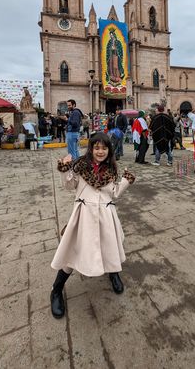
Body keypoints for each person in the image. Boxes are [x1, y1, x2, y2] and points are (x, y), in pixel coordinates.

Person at [50, 132, 135, 319]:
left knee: (109, 247)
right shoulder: (81, 166)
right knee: (72, 252)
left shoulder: (111, 169)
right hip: (83, 216)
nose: (100, 151)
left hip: (106, 215)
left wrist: (126, 181)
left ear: (109, 150)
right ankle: (56, 290)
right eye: (96, 147)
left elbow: (114, 192)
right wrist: (65, 169)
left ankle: (113, 273)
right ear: (90, 148)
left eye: (104, 148)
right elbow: (69, 186)